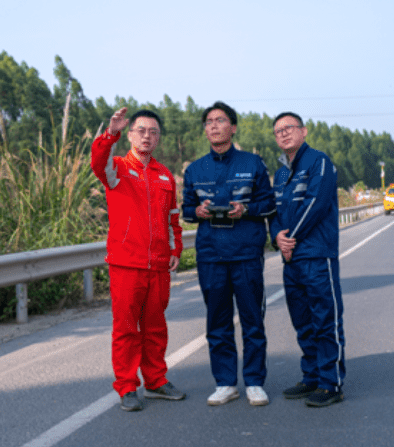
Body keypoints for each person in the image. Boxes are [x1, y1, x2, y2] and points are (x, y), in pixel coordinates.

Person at [91, 106, 187, 412]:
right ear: (130, 135)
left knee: (155, 327)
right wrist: (111, 134)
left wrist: (174, 250)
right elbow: (98, 162)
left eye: (153, 132)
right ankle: (127, 386)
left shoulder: (165, 176)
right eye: (141, 131)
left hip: (158, 265)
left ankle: (156, 381)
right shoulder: (117, 168)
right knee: (126, 328)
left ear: (158, 138)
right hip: (126, 263)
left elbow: (172, 218)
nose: (147, 136)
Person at [182, 101, 277, 407]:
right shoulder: (195, 169)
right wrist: (197, 211)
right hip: (211, 255)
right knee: (217, 322)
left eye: (220, 120)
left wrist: (246, 209)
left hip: (246, 253)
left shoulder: (253, 163)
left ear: (233, 127)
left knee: (252, 320)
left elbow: (269, 203)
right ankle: (225, 383)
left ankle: (254, 382)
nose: (214, 125)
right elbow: (186, 209)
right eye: (209, 121)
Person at [269, 112, 346, 407]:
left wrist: (290, 239)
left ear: (304, 131)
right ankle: (311, 376)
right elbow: (274, 213)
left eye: (289, 127)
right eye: (278, 131)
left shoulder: (318, 162)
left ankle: (330, 383)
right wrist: (277, 237)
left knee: (325, 320)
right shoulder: (280, 174)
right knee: (302, 321)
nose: (284, 133)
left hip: (316, 255)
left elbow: (316, 204)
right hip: (291, 260)